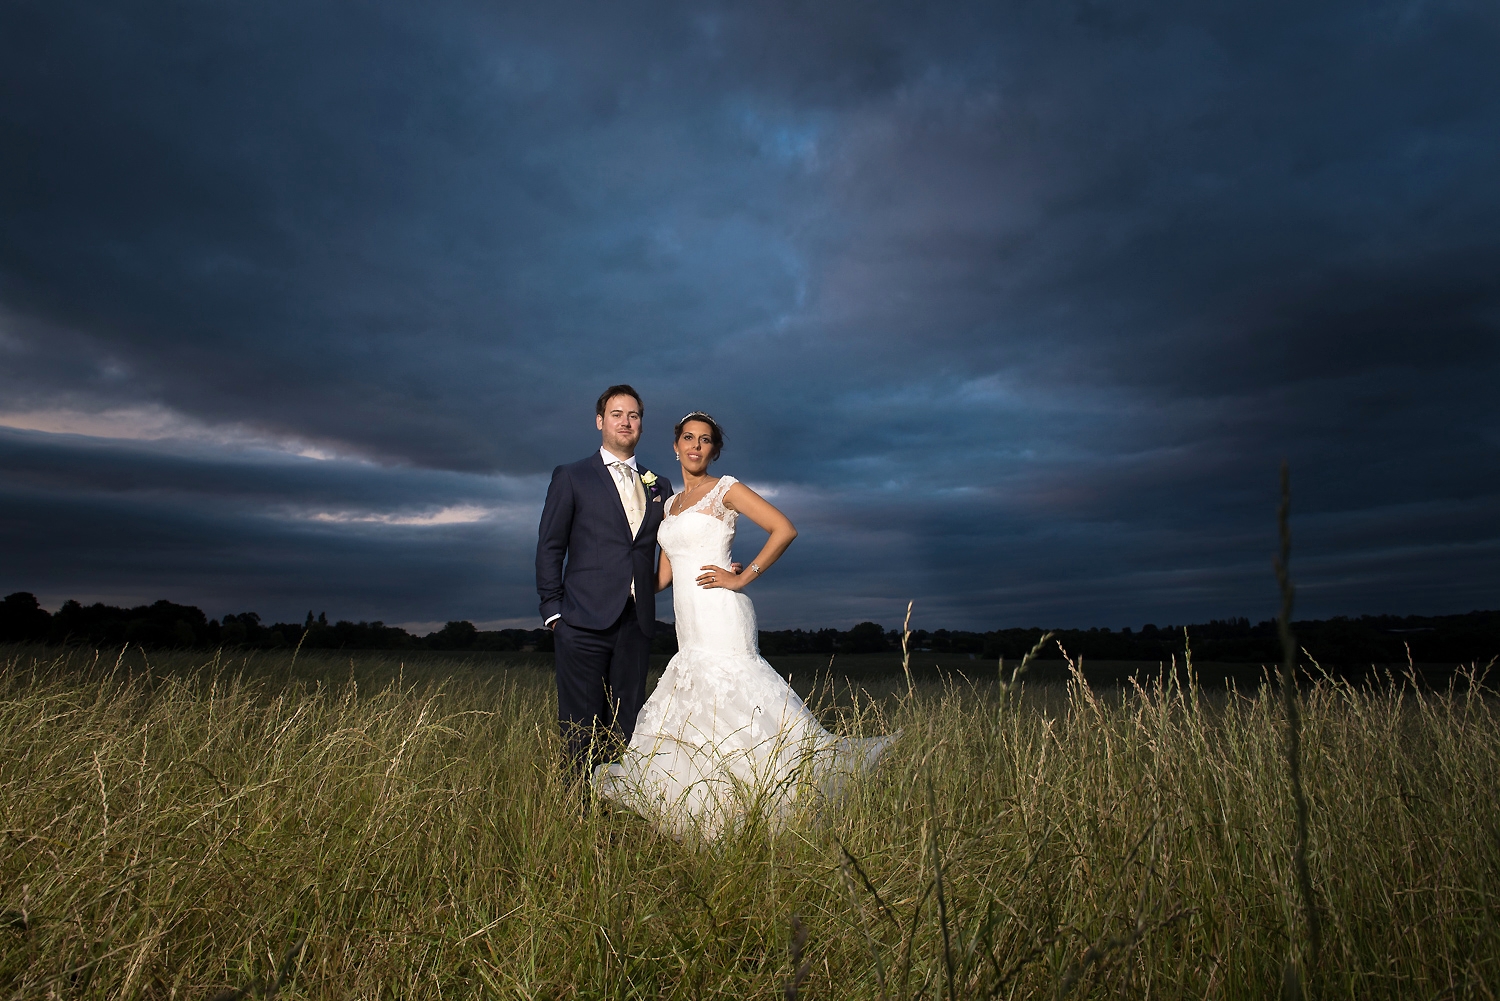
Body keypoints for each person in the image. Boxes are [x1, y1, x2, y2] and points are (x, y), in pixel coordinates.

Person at [594, 411, 897, 840]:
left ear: (714, 450)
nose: (695, 446)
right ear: (675, 445)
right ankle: (710, 810)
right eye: (688, 438)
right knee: (694, 712)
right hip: (689, 625)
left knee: (736, 702)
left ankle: (767, 802)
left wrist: (741, 576)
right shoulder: (669, 504)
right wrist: (607, 577)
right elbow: (662, 577)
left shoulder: (726, 489)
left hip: (722, 615)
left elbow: (783, 529)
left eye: (705, 440)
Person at [536, 385, 674, 773]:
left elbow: (672, 545)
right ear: (600, 421)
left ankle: (616, 811)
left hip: (637, 622)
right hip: (581, 620)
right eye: (616, 414)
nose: (625, 422)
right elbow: (550, 545)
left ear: (641, 425)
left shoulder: (658, 484)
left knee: (626, 724)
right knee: (580, 725)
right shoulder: (572, 476)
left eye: (633, 415)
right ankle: (577, 813)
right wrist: (553, 611)